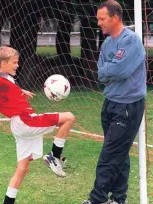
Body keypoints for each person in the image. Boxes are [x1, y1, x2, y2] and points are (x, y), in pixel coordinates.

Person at [0, 46, 75, 204]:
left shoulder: (5, 78)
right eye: (15, 62)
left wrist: (21, 91)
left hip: (19, 125)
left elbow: (8, 88)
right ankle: (54, 156)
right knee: (68, 118)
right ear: (4, 63)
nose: (17, 65)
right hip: (26, 121)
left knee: (23, 168)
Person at [82, 1, 146, 204]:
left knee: (109, 155)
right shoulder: (107, 43)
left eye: (102, 19)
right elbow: (101, 74)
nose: (98, 23)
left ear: (115, 18)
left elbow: (121, 71)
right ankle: (118, 199)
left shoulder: (131, 41)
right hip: (110, 103)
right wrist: (111, 70)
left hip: (128, 106)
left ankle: (97, 199)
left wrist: (111, 70)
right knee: (120, 153)